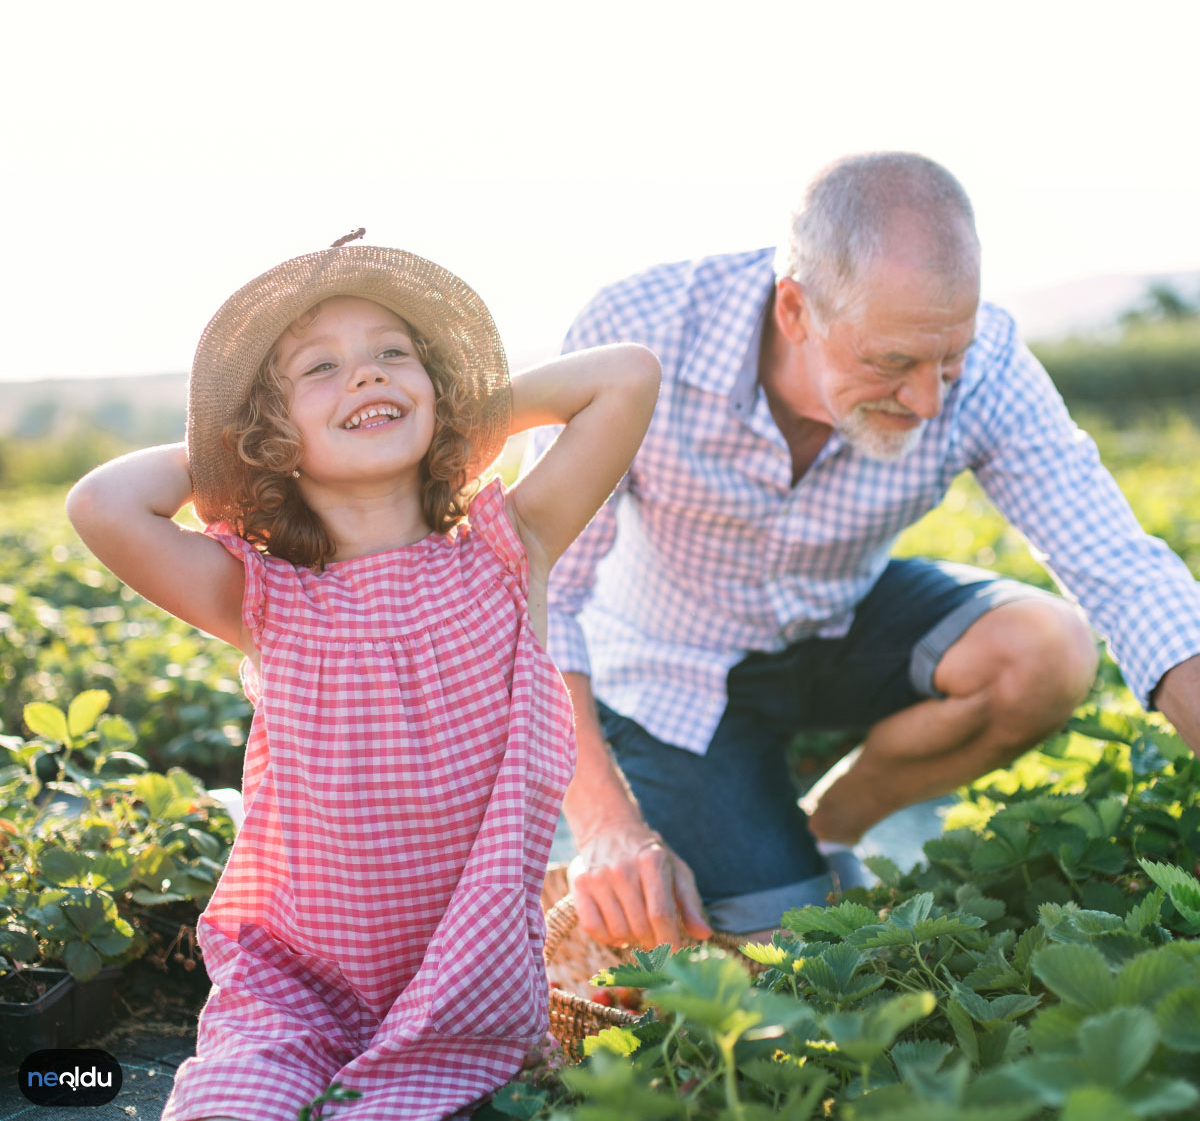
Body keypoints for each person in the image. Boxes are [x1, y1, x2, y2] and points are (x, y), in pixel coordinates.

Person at [534, 151, 1200, 952]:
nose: (928, 400)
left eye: (947, 360)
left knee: (1047, 649)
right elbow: (542, 588)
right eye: (892, 363)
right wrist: (605, 821)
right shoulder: (641, 333)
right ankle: (771, 858)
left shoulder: (988, 368)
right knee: (787, 949)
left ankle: (825, 829)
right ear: (794, 312)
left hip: (839, 624)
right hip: (671, 670)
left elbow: (1119, 566)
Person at [66, 238, 661, 1121]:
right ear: (272, 431)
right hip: (296, 989)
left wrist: (461, 410)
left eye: (394, 354)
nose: (367, 377)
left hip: (469, 987)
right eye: (322, 368)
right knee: (228, 1108)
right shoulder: (263, 595)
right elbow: (101, 504)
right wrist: (235, 454)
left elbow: (627, 375)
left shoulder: (509, 551)